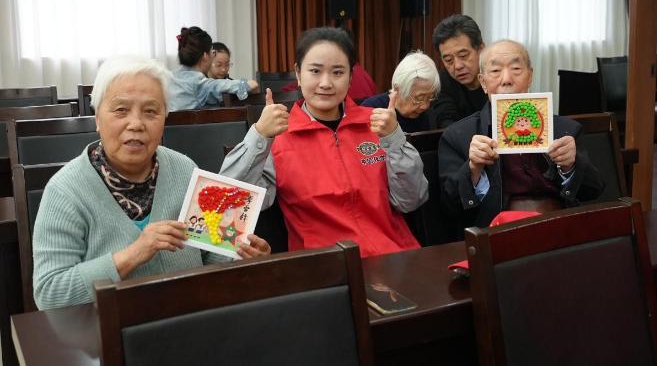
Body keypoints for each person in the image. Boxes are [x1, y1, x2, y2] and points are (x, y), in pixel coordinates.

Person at [32, 58, 271, 310]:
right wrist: (134, 253)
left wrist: (242, 257)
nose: (136, 124)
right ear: (97, 118)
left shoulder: (184, 169)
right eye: (121, 110)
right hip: (109, 328)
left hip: (189, 319)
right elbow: (49, 293)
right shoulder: (65, 191)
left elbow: (211, 257)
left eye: (150, 111)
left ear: (164, 118)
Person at [220, 27, 428, 258]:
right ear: (298, 74)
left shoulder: (378, 126)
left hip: (395, 256)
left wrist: (394, 138)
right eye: (315, 71)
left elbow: (411, 200)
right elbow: (224, 202)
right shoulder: (278, 137)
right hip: (326, 266)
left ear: (351, 77)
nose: (326, 83)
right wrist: (260, 135)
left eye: (338, 72)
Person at [438, 39, 604, 228]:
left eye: (516, 69)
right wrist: (473, 169)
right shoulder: (459, 136)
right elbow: (448, 207)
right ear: (483, 82)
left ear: (530, 76)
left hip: (560, 227)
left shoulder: (566, 129)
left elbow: (594, 190)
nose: (506, 79)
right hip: (497, 232)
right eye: (495, 71)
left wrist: (571, 166)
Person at [168, 27, 258, 111]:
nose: (213, 56)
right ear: (205, 56)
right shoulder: (201, 85)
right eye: (213, 52)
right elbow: (252, 85)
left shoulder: (168, 78)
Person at [431, 14, 489, 128]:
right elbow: (446, 124)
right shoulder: (440, 83)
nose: (457, 66)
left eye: (463, 56)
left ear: (481, 50)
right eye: (449, 60)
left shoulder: (498, 77)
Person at [362, 50, 440, 133]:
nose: (425, 106)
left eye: (430, 98)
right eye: (419, 98)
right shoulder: (372, 110)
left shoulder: (429, 116)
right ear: (398, 88)